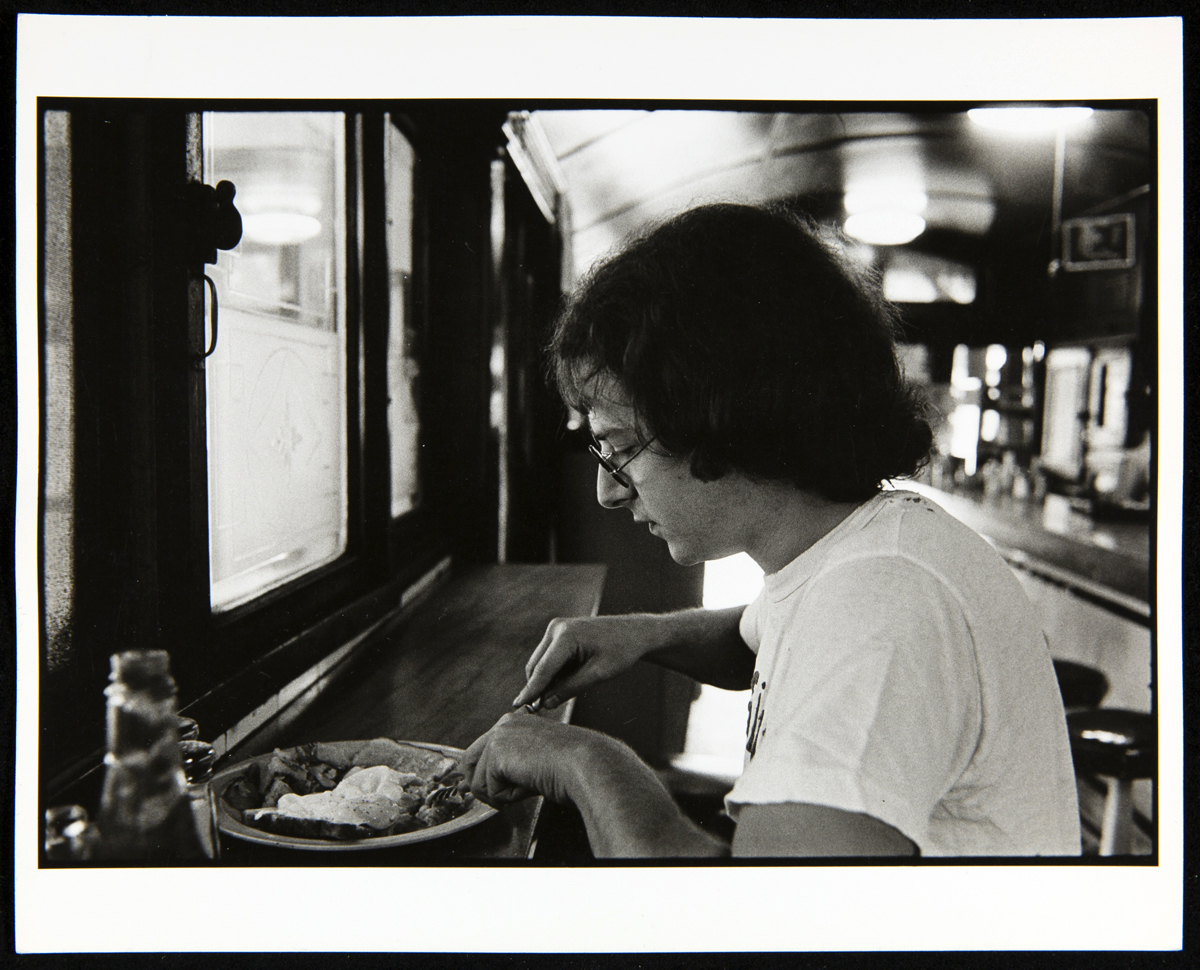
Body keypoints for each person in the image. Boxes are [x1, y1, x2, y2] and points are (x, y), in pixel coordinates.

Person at [459, 203, 1081, 859]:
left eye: (618, 448)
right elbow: (757, 635)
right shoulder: (850, 549)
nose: (607, 490)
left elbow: (757, 925)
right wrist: (642, 637)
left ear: (718, 417)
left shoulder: (882, 605)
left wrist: (583, 762)